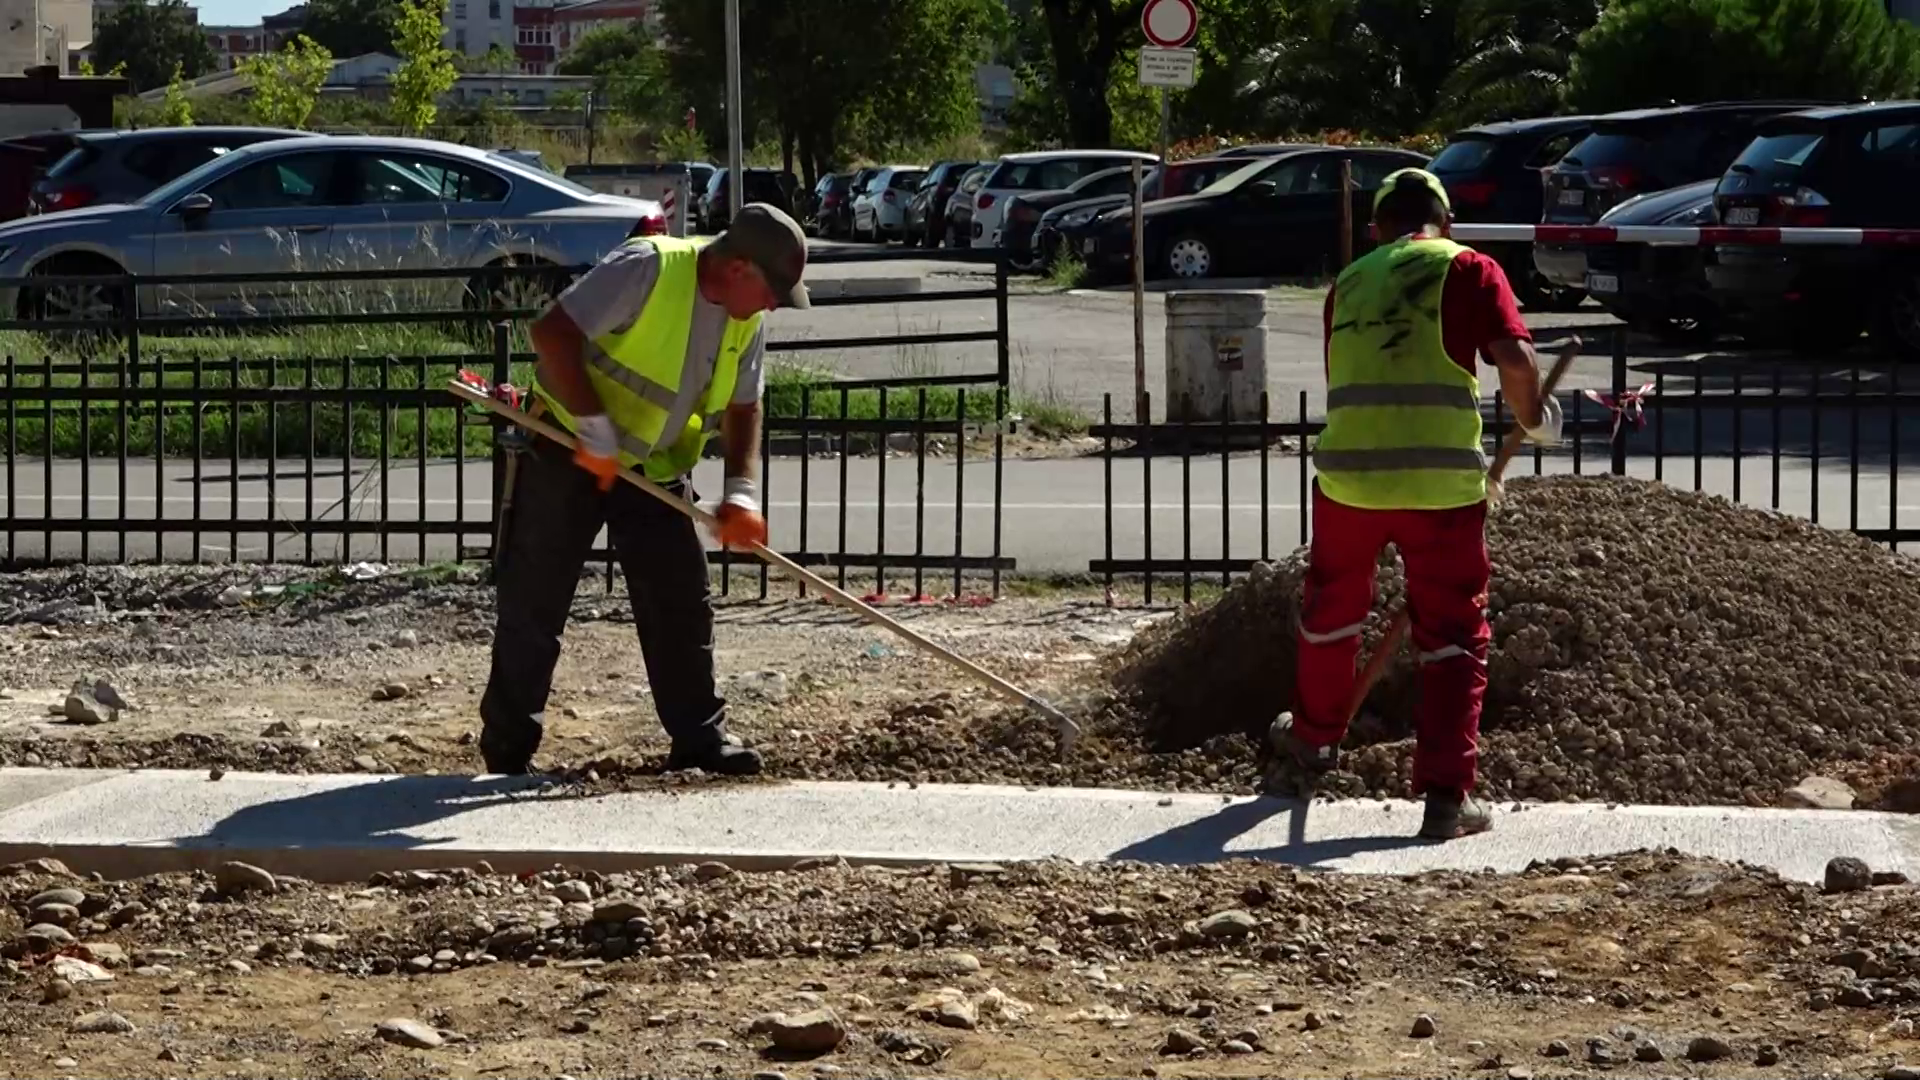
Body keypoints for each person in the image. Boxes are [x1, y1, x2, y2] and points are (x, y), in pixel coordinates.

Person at [478, 203, 811, 778]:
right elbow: (553, 333)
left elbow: (743, 405)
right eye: (773, 291)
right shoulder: (648, 269)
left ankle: (700, 741)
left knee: (680, 601)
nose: (775, 305)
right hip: (566, 448)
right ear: (739, 270)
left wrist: (741, 492)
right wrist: (595, 430)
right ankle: (508, 752)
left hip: (652, 470)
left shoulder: (745, 317)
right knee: (535, 600)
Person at [1281, 168, 1561, 840]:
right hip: (1440, 488)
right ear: (1445, 220)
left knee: (1331, 612)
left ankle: (1313, 742)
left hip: (1348, 480)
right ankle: (1445, 796)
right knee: (1454, 634)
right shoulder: (1467, 266)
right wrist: (1537, 417)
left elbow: (1348, 374)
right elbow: (1514, 357)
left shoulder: (1348, 282)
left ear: (1377, 227)